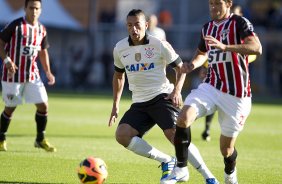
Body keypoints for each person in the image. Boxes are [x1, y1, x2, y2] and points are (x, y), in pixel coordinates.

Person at [108, 9, 218, 184]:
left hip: (162, 97)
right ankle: (166, 160)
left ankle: (209, 177)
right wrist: (115, 105)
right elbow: (119, 76)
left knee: (175, 136)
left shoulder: (159, 44)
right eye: (130, 25)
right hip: (139, 102)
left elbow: (181, 68)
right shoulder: (120, 48)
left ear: (146, 25)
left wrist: (176, 92)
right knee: (122, 135)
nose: (134, 29)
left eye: (137, 25)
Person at [163, 0, 262, 184]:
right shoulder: (207, 27)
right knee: (183, 117)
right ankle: (181, 168)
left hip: (237, 94)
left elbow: (257, 47)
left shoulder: (239, 23)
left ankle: (230, 173)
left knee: (226, 149)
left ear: (229, 4)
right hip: (211, 85)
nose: (213, 8)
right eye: (211, 4)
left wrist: (226, 47)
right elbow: (202, 53)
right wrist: (192, 65)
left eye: (218, 3)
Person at [0, 0, 56, 152]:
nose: (34, 11)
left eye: (37, 8)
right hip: (12, 75)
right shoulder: (16, 26)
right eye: (31, 8)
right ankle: (1, 138)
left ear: (41, 10)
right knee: (10, 107)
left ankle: (40, 139)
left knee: (43, 105)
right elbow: (0, 42)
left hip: (32, 75)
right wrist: (6, 60)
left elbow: (43, 51)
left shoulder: (41, 29)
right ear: (25, 8)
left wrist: (48, 72)